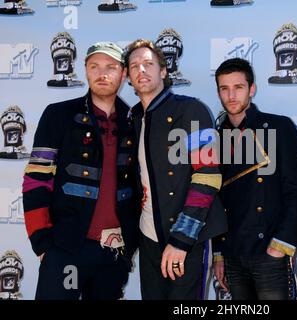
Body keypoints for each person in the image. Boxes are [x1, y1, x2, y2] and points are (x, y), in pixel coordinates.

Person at [22, 42, 140, 299]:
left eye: (110, 67)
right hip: (66, 248)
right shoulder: (58, 115)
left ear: (123, 74)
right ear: (85, 70)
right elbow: (35, 180)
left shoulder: (135, 122)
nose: (102, 73)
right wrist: (43, 243)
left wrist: (129, 244)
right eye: (94, 66)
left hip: (114, 251)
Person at [124, 39, 227, 300]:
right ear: (127, 76)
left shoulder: (191, 110)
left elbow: (207, 178)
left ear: (163, 71)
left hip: (186, 240)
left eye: (148, 64)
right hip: (148, 238)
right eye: (134, 65)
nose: (141, 70)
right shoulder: (132, 119)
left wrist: (181, 240)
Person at [212, 58, 297, 300]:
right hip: (233, 254)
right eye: (224, 88)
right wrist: (219, 253)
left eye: (239, 87)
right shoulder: (216, 137)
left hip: (269, 252)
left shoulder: (279, 127)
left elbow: (295, 190)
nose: (231, 95)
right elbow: (217, 200)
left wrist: (280, 245)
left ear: (251, 89)